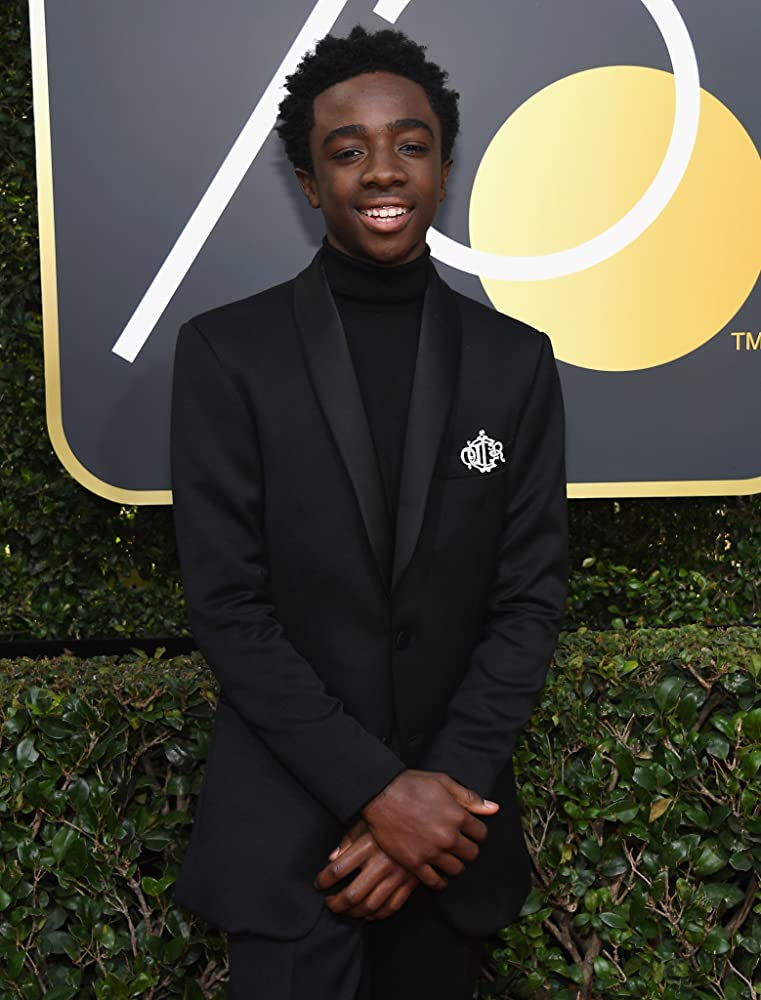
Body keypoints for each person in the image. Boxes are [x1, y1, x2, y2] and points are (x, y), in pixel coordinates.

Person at [169, 23, 568, 1000]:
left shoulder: (514, 361)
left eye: (410, 144)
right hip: (288, 850)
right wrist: (379, 793)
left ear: (443, 169)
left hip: (447, 850)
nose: (383, 170)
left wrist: (433, 802)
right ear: (310, 182)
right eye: (347, 150)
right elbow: (229, 607)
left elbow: (526, 601)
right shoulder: (226, 353)